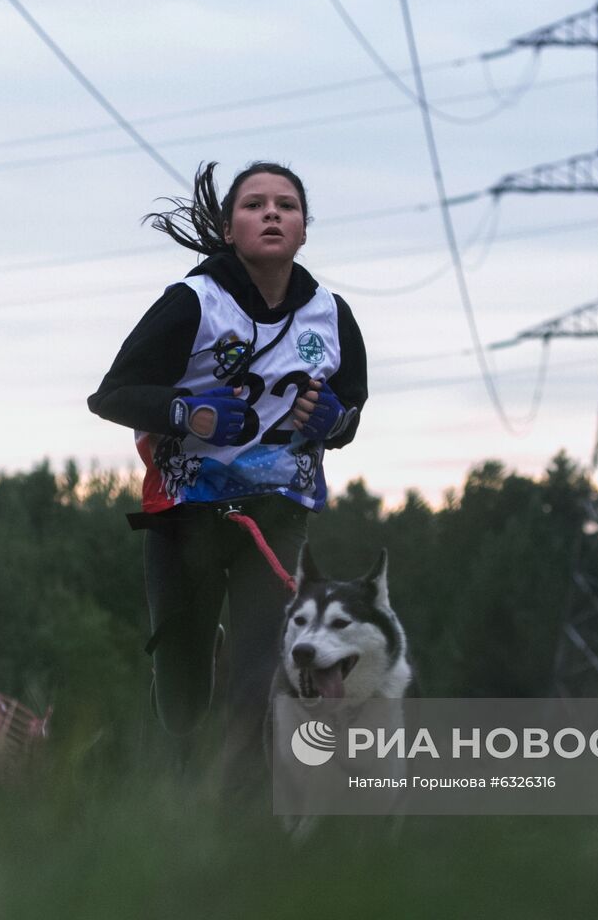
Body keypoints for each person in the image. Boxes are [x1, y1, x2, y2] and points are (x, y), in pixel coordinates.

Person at [87, 161, 367, 784]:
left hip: (275, 518)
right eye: (255, 205)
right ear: (227, 226)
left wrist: (330, 419)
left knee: (259, 682)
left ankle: (241, 829)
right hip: (183, 516)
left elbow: (350, 415)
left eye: (286, 206)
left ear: (303, 230)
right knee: (182, 690)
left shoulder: (332, 315)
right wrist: (189, 412)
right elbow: (111, 396)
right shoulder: (192, 303)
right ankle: (177, 800)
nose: (272, 214)